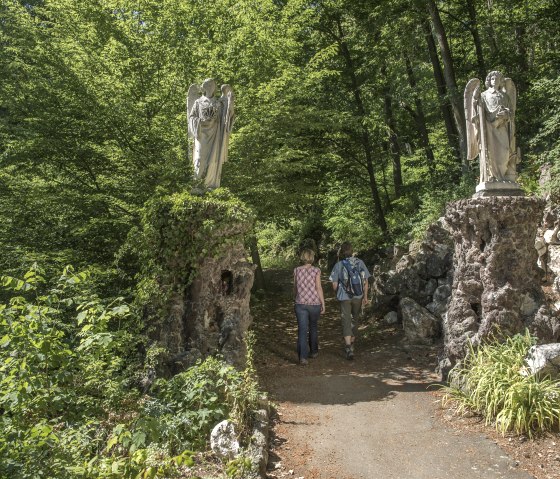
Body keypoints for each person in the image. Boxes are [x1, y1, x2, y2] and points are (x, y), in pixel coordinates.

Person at [187, 79, 235, 189]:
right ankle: (198, 184)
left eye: (212, 85)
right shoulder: (198, 102)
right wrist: (200, 122)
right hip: (201, 134)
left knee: (213, 159)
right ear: (204, 87)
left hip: (215, 134)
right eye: (208, 85)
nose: (210, 87)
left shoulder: (218, 103)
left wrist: (230, 102)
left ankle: (210, 185)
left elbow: (228, 116)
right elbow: (192, 117)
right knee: (200, 157)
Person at [329, 242, 371, 360]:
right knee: (355, 318)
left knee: (345, 319)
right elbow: (366, 281)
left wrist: (337, 293)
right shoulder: (360, 262)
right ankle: (352, 343)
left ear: (342, 253)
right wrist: (366, 297)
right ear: (352, 251)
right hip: (358, 295)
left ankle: (348, 346)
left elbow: (334, 284)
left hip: (344, 296)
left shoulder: (339, 265)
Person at [293, 248, 325, 365]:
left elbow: (295, 287)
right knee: (313, 326)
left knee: (302, 330)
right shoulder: (316, 270)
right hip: (314, 303)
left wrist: (295, 297)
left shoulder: (296, 270)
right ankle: (314, 351)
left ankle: (303, 357)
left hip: (300, 303)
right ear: (312, 257)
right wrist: (323, 303)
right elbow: (318, 288)